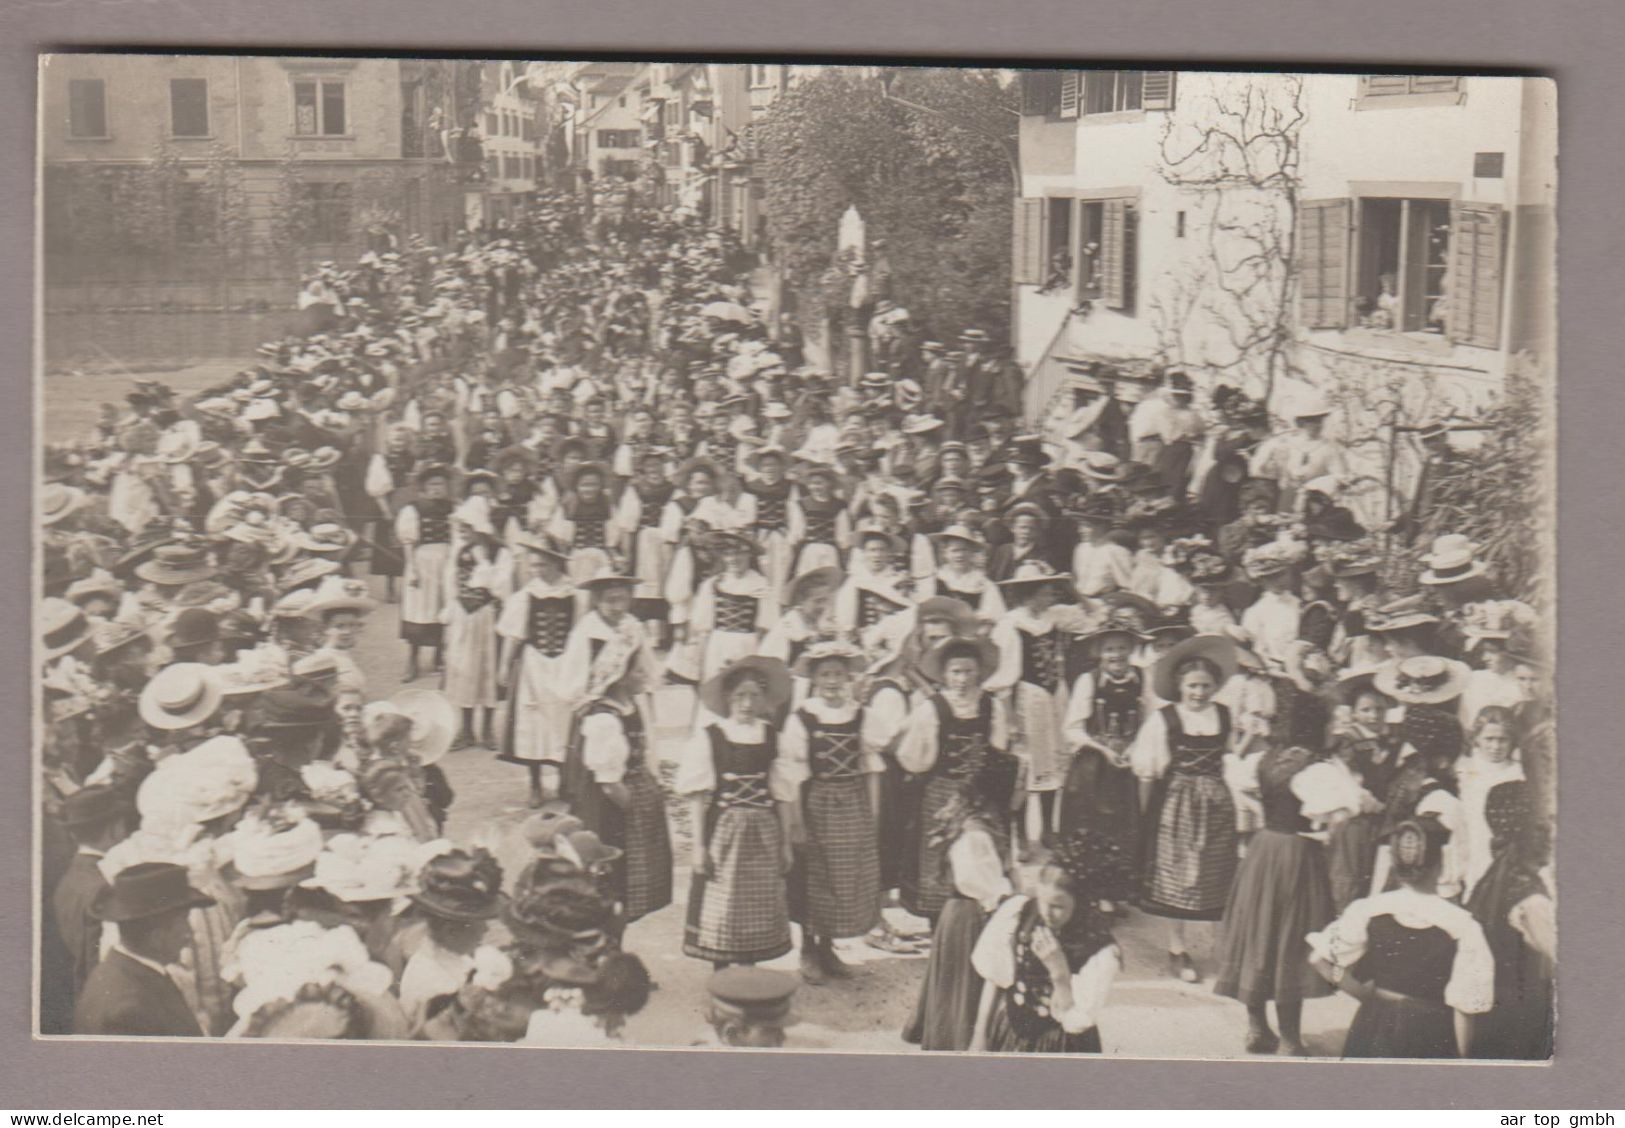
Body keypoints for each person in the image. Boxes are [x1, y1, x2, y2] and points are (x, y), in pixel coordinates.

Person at [1213, 735, 1360, 1056]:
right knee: (1291, 940)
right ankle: (1290, 1039)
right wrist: (1325, 829)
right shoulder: (1317, 768)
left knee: (1260, 934)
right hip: (1297, 853)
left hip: (1264, 848)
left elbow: (1241, 786)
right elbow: (1343, 812)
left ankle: (1257, 1028)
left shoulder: (1267, 757)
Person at [1309, 816, 1495, 1059]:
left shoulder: (1369, 908)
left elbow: (1319, 959)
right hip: (1431, 1032)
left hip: (1374, 1022)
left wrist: (1363, 995)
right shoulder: (1461, 924)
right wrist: (1462, 1061)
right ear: (1440, 863)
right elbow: (1465, 1007)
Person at [1132, 635, 1242, 983]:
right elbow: (1148, 769)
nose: (1199, 693)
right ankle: (1177, 949)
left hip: (1219, 805)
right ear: (1179, 685)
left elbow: (1233, 758)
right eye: (1193, 686)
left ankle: (1222, 952)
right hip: (1177, 805)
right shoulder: (1163, 720)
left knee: (1218, 875)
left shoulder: (1224, 716)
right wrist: (1145, 812)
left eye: (1206, 686)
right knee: (1177, 878)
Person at [968, 829, 1132, 1054]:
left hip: (1062, 1045)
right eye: (1042, 900)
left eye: (1058, 906)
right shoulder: (1020, 913)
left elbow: (1078, 1022)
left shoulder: (1099, 951)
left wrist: (1060, 973)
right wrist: (979, 1036)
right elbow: (995, 978)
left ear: (1082, 903)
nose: (1046, 913)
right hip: (1012, 1034)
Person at [778, 642, 886, 984]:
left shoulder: (861, 715)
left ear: (849, 677)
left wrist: (873, 814)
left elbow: (871, 766)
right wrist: (794, 820)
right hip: (817, 800)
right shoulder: (803, 718)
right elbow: (791, 771)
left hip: (851, 800)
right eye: (825, 674)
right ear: (813, 678)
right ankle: (808, 949)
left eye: (839, 674)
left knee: (843, 877)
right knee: (815, 875)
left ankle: (828, 947)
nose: (832, 681)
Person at [678, 657, 796, 969]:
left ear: (764, 699)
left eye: (755, 695)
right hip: (725, 832)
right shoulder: (710, 737)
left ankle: (748, 980)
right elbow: (697, 796)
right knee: (723, 905)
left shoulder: (773, 737)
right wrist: (699, 846)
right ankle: (721, 979)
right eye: (740, 695)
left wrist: (785, 842)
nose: (747, 703)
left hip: (763, 832)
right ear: (728, 697)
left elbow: (783, 794)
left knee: (756, 904)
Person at [560, 611, 672, 926]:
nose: (645, 676)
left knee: (624, 889)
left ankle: (614, 951)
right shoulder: (604, 718)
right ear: (621, 675)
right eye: (639, 671)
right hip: (610, 810)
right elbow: (609, 783)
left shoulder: (629, 706)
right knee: (609, 882)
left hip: (627, 800)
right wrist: (637, 809)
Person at [895, 637, 1012, 924]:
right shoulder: (932, 708)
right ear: (944, 674)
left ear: (979, 673)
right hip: (941, 792)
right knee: (940, 853)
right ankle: (941, 922)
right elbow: (912, 757)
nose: (962, 679)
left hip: (982, 792)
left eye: (968, 671)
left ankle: (979, 915)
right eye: (955, 672)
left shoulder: (990, 706)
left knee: (981, 849)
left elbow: (999, 747)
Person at [902, 785, 1014, 1051]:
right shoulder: (974, 835)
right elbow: (971, 879)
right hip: (969, 912)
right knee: (965, 980)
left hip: (962, 911)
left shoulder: (974, 830)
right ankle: (956, 1039)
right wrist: (999, 896)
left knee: (960, 980)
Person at [987, 561, 1076, 858]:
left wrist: (1074, 589)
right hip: (1028, 700)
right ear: (1030, 593)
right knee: (1025, 767)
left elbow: (1093, 616)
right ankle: (1022, 835)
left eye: (1052, 589)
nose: (1051, 595)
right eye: (1046, 590)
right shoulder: (1011, 625)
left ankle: (1048, 829)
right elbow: (1003, 680)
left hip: (1055, 699)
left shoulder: (1054, 617)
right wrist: (1011, 718)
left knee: (1051, 764)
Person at [1464, 781, 1553, 1060]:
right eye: (1541, 827)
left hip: (1493, 1005)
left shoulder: (1495, 875)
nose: (1548, 836)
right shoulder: (1526, 891)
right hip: (1523, 1014)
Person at [74, 862, 215, 1037]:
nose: (189, 934)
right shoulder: (128, 1011)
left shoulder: (129, 974)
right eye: (184, 922)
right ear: (157, 939)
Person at [495, 533, 580, 806]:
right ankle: (535, 783)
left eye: (542, 564)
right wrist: (504, 666)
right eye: (533, 565)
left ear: (557, 564)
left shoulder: (575, 595)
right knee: (533, 723)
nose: (537, 571)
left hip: (565, 664)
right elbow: (514, 635)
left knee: (563, 721)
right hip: (534, 666)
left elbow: (580, 635)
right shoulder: (525, 597)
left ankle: (564, 779)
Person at [1058, 625, 1149, 877]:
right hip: (1094, 764)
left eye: (1122, 648)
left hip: (1131, 758)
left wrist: (1134, 747)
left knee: (1127, 819)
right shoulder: (1088, 681)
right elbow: (1073, 728)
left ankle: (1122, 879)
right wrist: (1103, 750)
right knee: (1093, 820)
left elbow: (1151, 721)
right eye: (1109, 649)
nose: (1116, 655)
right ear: (1098, 652)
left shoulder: (1143, 678)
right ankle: (1091, 878)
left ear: (1132, 649)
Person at [395, 464, 455, 682]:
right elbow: (408, 543)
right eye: (432, 484)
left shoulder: (453, 508)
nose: (437, 489)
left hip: (447, 562)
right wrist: (412, 569)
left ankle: (439, 656)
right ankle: (413, 659)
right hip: (422, 562)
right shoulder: (413, 510)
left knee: (443, 607)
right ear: (424, 487)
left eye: (441, 484)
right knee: (419, 610)